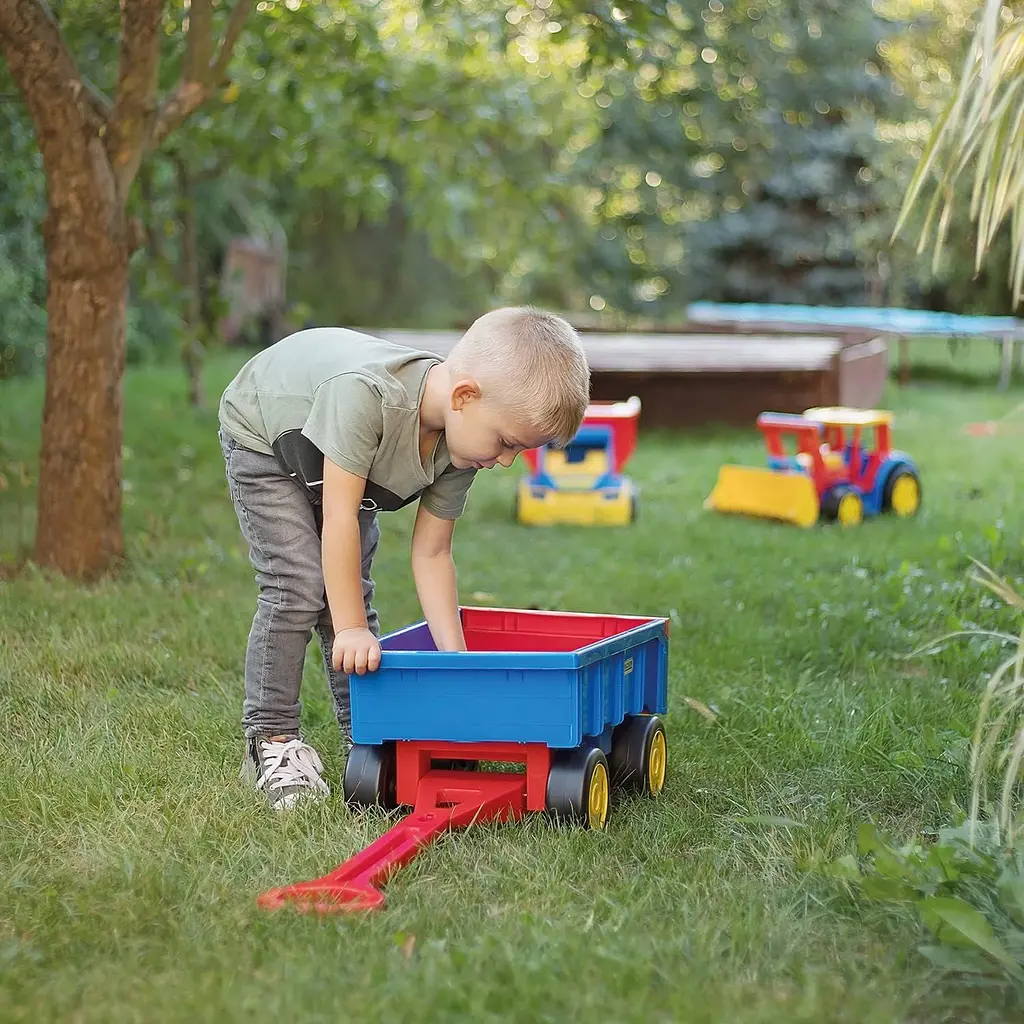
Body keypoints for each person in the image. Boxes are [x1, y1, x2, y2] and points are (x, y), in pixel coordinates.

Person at [217, 306, 590, 809]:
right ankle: (273, 740)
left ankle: (367, 738)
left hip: (342, 467)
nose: (504, 461)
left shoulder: (463, 444)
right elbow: (340, 520)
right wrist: (350, 630)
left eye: (518, 451)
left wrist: (458, 665)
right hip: (266, 435)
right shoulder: (368, 398)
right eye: (506, 443)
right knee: (299, 586)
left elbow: (433, 552)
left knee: (349, 593)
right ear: (464, 396)